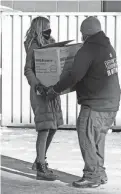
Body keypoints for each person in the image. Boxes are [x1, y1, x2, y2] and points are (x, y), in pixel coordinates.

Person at [46, 16, 121, 188]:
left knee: (86, 138)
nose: (81, 37)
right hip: (111, 104)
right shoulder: (107, 47)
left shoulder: (88, 50)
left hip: (95, 104)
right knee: (97, 139)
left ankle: (92, 175)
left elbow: (75, 75)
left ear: (86, 33)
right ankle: (99, 173)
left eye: (82, 33)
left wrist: (55, 89)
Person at [24, 16, 63, 180]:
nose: (49, 30)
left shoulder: (50, 44)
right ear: (40, 28)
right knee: (44, 128)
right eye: (46, 27)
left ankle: (39, 160)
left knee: (53, 127)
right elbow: (28, 69)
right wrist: (36, 84)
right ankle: (41, 166)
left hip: (52, 91)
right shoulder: (33, 46)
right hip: (40, 92)